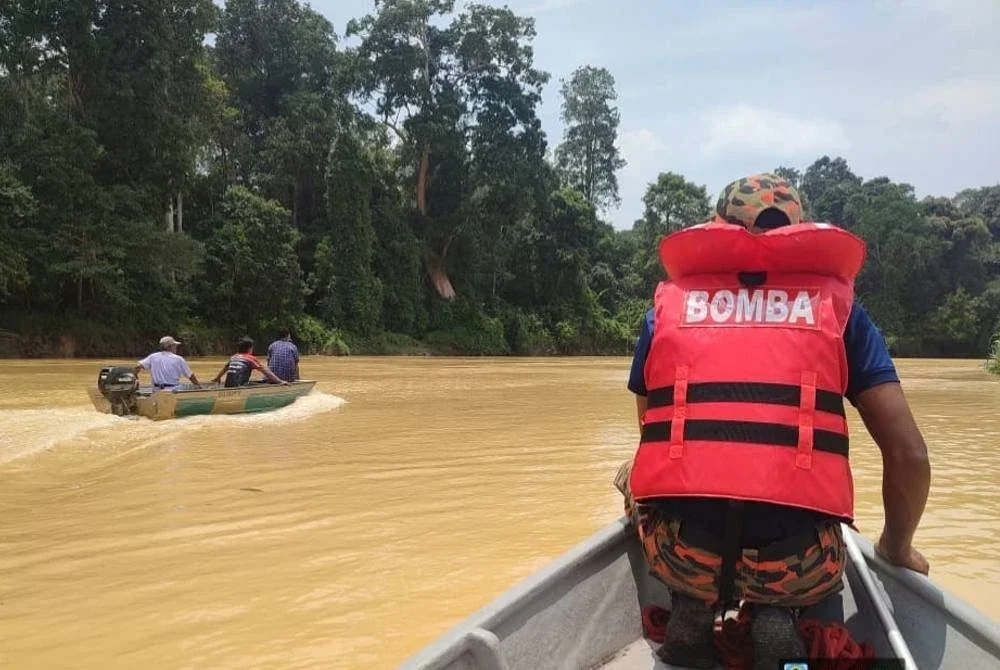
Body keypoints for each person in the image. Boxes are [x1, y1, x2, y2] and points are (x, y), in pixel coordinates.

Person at [621, 173, 931, 670]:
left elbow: (652, 440)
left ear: (718, 228)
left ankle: (691, 606)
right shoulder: (842, 311)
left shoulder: (666, 308)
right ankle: (777, 611)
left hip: (685, 553)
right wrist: (897, 547)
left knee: (630, 477)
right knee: (799, 527)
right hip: (798, 563)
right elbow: (909, 455)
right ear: (798, 233)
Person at [211, 336, 287, 388]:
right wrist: (280, 381)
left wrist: (217, 378)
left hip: (227, 386)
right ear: (249, 349)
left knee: (251, 382)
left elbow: (225, 369)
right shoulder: (250, 358)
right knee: (254, 384)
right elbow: (266, 371)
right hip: (240, 387)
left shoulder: (233, 357)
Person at [135, 336, 201, 390]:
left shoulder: (153, 357)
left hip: (156, 390)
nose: (176, 348)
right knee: (192, 387)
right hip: (173, 389)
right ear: (170, 346)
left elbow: (137, 367)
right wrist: (198, 386)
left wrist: (136, 378)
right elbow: (190, 376)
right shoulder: (178, 359)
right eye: (175, 345)